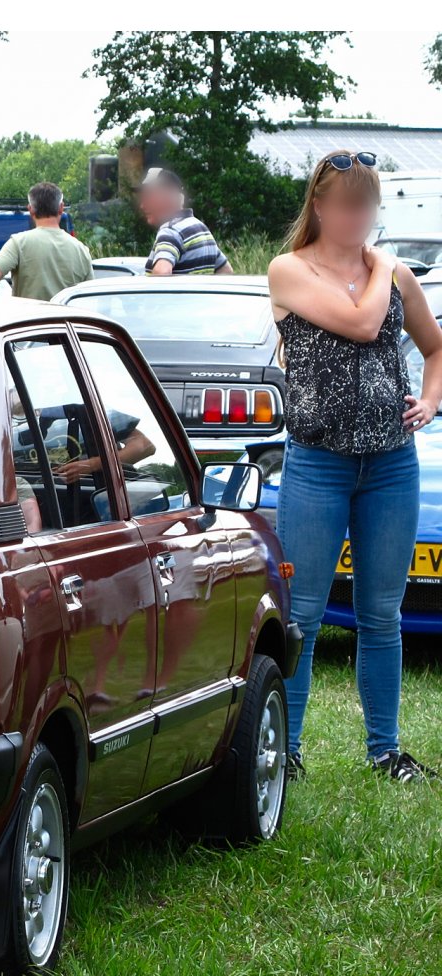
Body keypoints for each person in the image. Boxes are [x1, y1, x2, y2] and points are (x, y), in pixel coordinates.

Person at [268, 148, 442, 783]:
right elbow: (366, 325)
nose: (356, 216)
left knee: (381, 615)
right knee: (304, 615)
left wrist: (428, 399)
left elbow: (434, 345)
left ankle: (385, 752)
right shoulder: (290, 269)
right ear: (318, 206)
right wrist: (385, 267)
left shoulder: (391, 275)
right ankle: (283, 752)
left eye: (366, 204)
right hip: (318, 464)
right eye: (344, 204)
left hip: (392, 465)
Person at [0, 182, 93, 300]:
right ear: (61, 208)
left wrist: (1, 312)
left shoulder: (18, 243)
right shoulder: (81, 249)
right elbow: (89, 297)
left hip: (28, 318)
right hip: (67, 318)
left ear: (30, 209)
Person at [137, 168, 231, 276]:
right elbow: (226, 271)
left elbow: (161, 273)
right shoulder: (201, 228)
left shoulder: (171, 231)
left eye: (149, 198)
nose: (142, 206)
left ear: (167, 197)